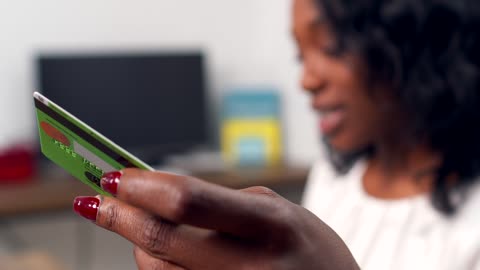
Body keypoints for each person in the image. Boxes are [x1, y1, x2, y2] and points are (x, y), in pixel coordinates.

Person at [72, 0, 480, 269]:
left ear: (416, 42)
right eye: (300, 55)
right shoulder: (335, 178)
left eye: (332, 47)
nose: (306, 79)